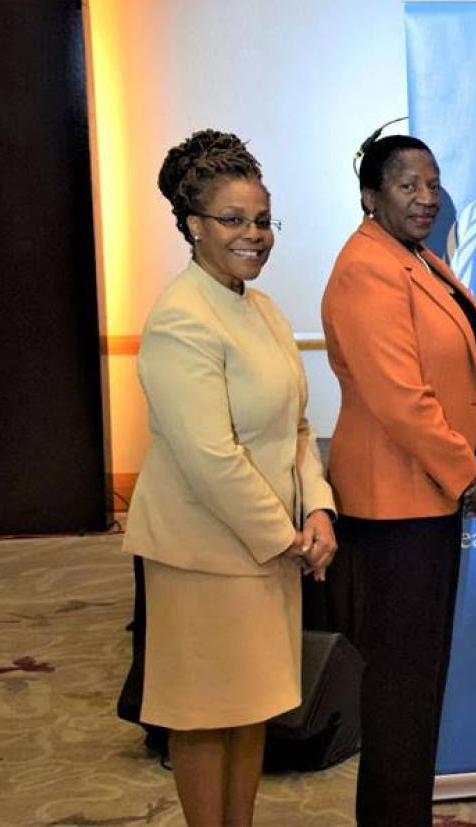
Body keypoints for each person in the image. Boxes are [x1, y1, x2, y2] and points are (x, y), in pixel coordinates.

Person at [123, 129, 337, 826]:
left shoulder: (262, 308)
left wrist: (320, 513)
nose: (255, 235)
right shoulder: (180, 318)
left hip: (271, 548)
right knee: (204, 714)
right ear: (193, 226)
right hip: (205, 555)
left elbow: (297, 427)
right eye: (234, 219)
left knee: (252, 712)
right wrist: (285, 537)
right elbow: (209, 457)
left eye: (263, 219)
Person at [320, 130, 476, 826]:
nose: (427, 197)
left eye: (432, 183)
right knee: (399, 684)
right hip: (395, 506)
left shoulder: (418, 260)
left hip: (433, 494)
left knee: (420, 676)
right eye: (408, 185)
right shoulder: (364, 268)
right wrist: (467, 473)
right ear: (370, 196)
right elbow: (401, 396)